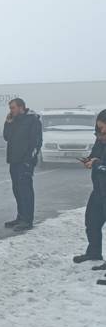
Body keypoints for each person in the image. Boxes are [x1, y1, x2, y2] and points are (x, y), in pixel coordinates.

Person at [3, 98, 42, 232]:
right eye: (10, 108)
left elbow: (36, 142)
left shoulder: (33, 120)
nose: (11, 111)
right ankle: (20, 217)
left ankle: (27, 220)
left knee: (25, 191)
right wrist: (8, 123)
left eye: (13, 108)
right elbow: (6, 137)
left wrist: (29, 160)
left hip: (25, 161)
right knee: (17, 189)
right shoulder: (14, 120)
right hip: (14, 160)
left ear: (21, 107)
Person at [74, 110, 106, 267]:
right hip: (99, 188)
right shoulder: (100, 138)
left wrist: (97, 164)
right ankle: (94, 252)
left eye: (102, 126)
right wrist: (89, 160)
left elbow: (102, 163)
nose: (100, 131)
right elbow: (96, 155)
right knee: (92, 220)